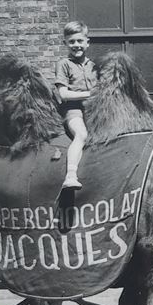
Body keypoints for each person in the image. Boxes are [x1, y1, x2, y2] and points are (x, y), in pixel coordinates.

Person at [55, 20, 97, 189]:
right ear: (65, 43)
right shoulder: (64, 64)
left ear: (87, 42)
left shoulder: (94, 66)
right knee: (81, 134)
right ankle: (70, 175)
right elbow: (63, 94)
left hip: (93, 109)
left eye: (80, 41)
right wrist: (90, 93)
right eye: (71, 41)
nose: (76, 45)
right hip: (73, 110)